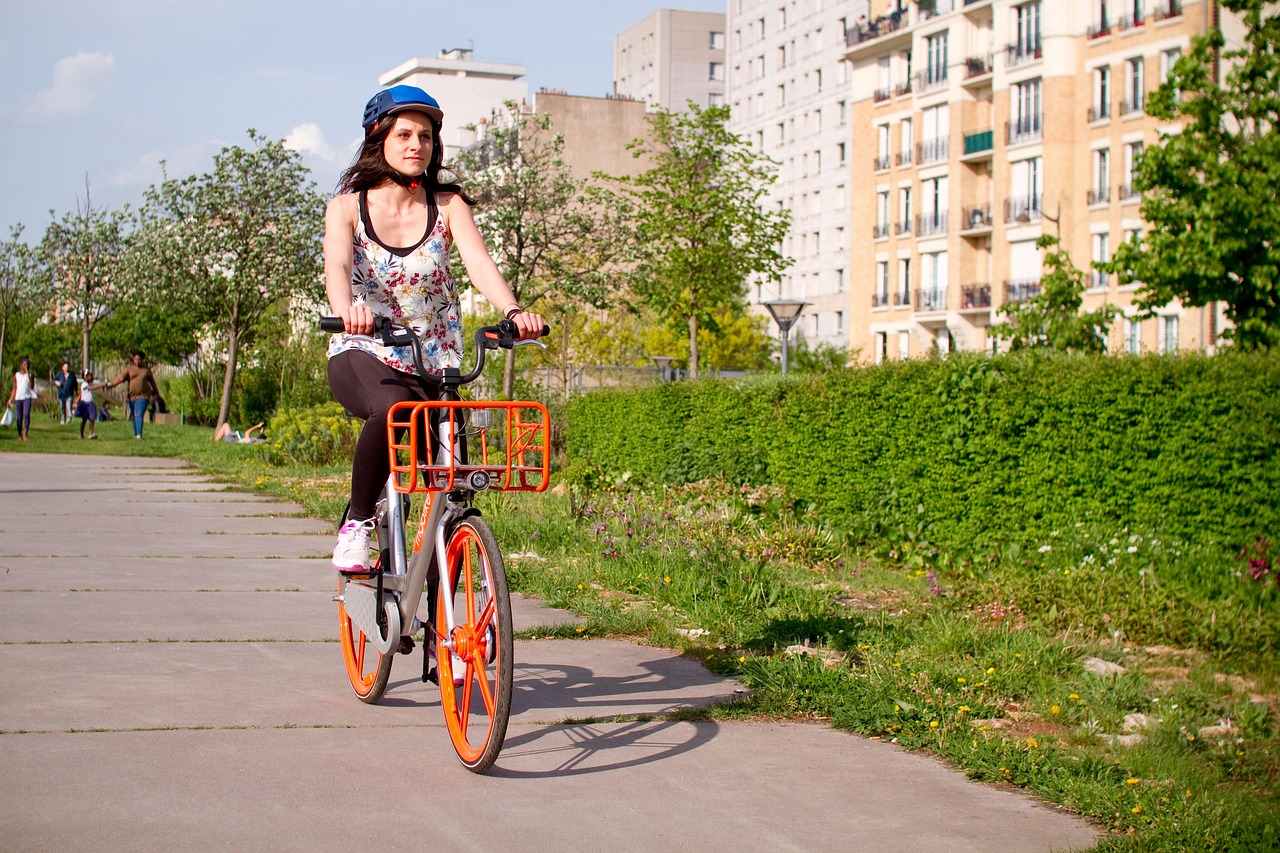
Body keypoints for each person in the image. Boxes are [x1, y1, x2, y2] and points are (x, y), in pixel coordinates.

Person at [324, 85, 544, 573]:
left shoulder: (447, 205)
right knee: (390, 411)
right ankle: (358, 524)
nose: (416, 145)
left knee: (453, 476)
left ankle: (448, 599)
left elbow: (480, 264)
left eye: (425, 136)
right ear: (379, 138)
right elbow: (337, 266)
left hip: (434, 361)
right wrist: (347, 310)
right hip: (365, 350)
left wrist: (512, 311)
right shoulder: (346, 208)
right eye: (404, 134)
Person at [107, 351, 161, 440]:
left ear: (142, 360)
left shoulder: (146, 370)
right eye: (136, 359)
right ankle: (136, 434)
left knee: (138, 413)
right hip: (132, 396)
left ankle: (139, 434)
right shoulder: (129, 369)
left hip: (143, 396)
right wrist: (111, 385)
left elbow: (152, 383)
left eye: (139, 359)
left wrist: (156, 393)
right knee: (134, 415)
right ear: (133, 359)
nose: (138, 361)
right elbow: (120, 378)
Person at [7, 356, 36, 441]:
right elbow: (14, 388)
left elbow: (32, 387)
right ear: (21, 365)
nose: (26, 366)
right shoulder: (17, 375)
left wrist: (29, 375)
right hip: (18, 397)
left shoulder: (30, 375)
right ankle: (19, 434)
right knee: (19, 417)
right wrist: (11, 399)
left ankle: (25, 433)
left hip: (27, 397)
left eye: (27, 365)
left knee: (26, 414)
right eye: (24, 365)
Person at [74, 370, 106, 439]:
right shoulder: (84, 384)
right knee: (84, 419)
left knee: (92, 418)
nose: (92, 377)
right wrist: (101, 385)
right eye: (90, 376)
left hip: (90, 404)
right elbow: (91, 388)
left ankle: (90, 433)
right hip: (85, 404)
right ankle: (81, 434)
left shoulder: (88, 384)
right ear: (85, 377)